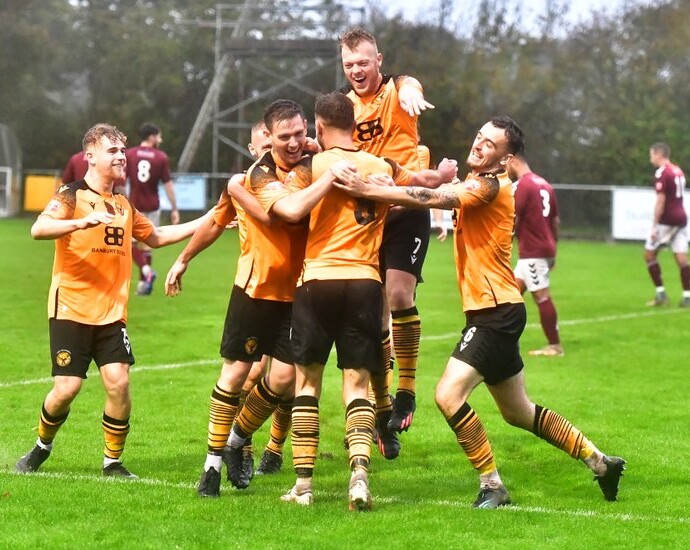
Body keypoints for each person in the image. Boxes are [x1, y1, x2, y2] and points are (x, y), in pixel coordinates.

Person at [332, 115, 626, 508]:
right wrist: (397, 183)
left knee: (448, 395)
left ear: (505, 160)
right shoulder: (478, 182)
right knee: (519, 412)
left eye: (490, 144)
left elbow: (435, 198)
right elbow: (437, 190)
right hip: (497, 310)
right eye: (479, 137)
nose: (478, 144)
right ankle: (601, 462)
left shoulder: (489, 185)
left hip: (495, 313)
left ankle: (492, 484)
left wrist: (369, 188)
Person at [279, 92, 457, 510]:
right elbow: (423, 184)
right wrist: (442, 171)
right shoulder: (381, 166)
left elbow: (285, 209)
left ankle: (303, 486)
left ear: (318, 128)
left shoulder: (311, 166)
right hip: (364, 283)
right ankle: (359, 474)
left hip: (319, 279)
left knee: (306, 383)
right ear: (356, 124)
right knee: (356, 386)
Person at [166, 100, 343, 498]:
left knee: (281, 379)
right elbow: (219, 222)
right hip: (255, 289)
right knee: (235, 375)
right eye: (283, 137)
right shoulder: (253, 178)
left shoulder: (311, 165)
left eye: (300, 134)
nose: (294, 142)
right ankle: (211, 466)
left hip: (298, 291)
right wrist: (183, 258)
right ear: (266, 140)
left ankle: (236, 440)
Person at [15, 123, 210, 478]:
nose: (122, 157)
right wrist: (82, 222)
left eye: (123, 150)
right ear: (90, 156)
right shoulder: (71, 195)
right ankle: (42, 446)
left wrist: (209, 220)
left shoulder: (122, 205)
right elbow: (39, 228)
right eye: (113, 151)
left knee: (119, 383)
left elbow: (157, 236)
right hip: (70, 308)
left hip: (111, 314)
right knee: (67, 388)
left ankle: (112, 462)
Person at [339, 27, 435, 454]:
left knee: (398, 293)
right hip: (368, 216)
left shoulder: (398, 90)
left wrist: (412, 88)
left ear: (379, 59)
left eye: (363, 61)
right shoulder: (343, 107)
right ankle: (382, 414)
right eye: (349, 64)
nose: (357, 70)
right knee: (374, 318)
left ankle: (408, 391)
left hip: (406, 208)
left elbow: (410, 84)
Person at [507, 153, 563, 357]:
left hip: (533, 250)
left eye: (507, 165)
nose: (506, 170)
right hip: (545, 247)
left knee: (541, 295)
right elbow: (556, 221)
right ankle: (502, 340)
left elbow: (513, 217)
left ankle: (555, 346)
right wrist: (554, 247)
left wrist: (504, 241)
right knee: (511, 293)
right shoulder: (545, 184)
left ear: (514, 161)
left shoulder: (523, 185)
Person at [126, 123, 179, 296]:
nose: (160, 140)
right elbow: (168, 185)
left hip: (133, 205)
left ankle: (146, 273)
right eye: (158, 136)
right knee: (146, 245)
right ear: (151, 137)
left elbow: (120, 179)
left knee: (130, 244)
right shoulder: (161, 157)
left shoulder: (130, 154)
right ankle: (143, 285)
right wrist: (174, 208)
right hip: (153, 205)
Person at [644, 142, 690, 307]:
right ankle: (687, 296)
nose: (651, 158)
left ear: (658, 154)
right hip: (681, 217)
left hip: (668, 220)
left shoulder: (662, 172)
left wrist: (655, 225)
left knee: (649, 255)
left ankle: (661, 294)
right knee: (681, 257)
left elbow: (661, 201)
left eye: (651, 154)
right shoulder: (677, 170)